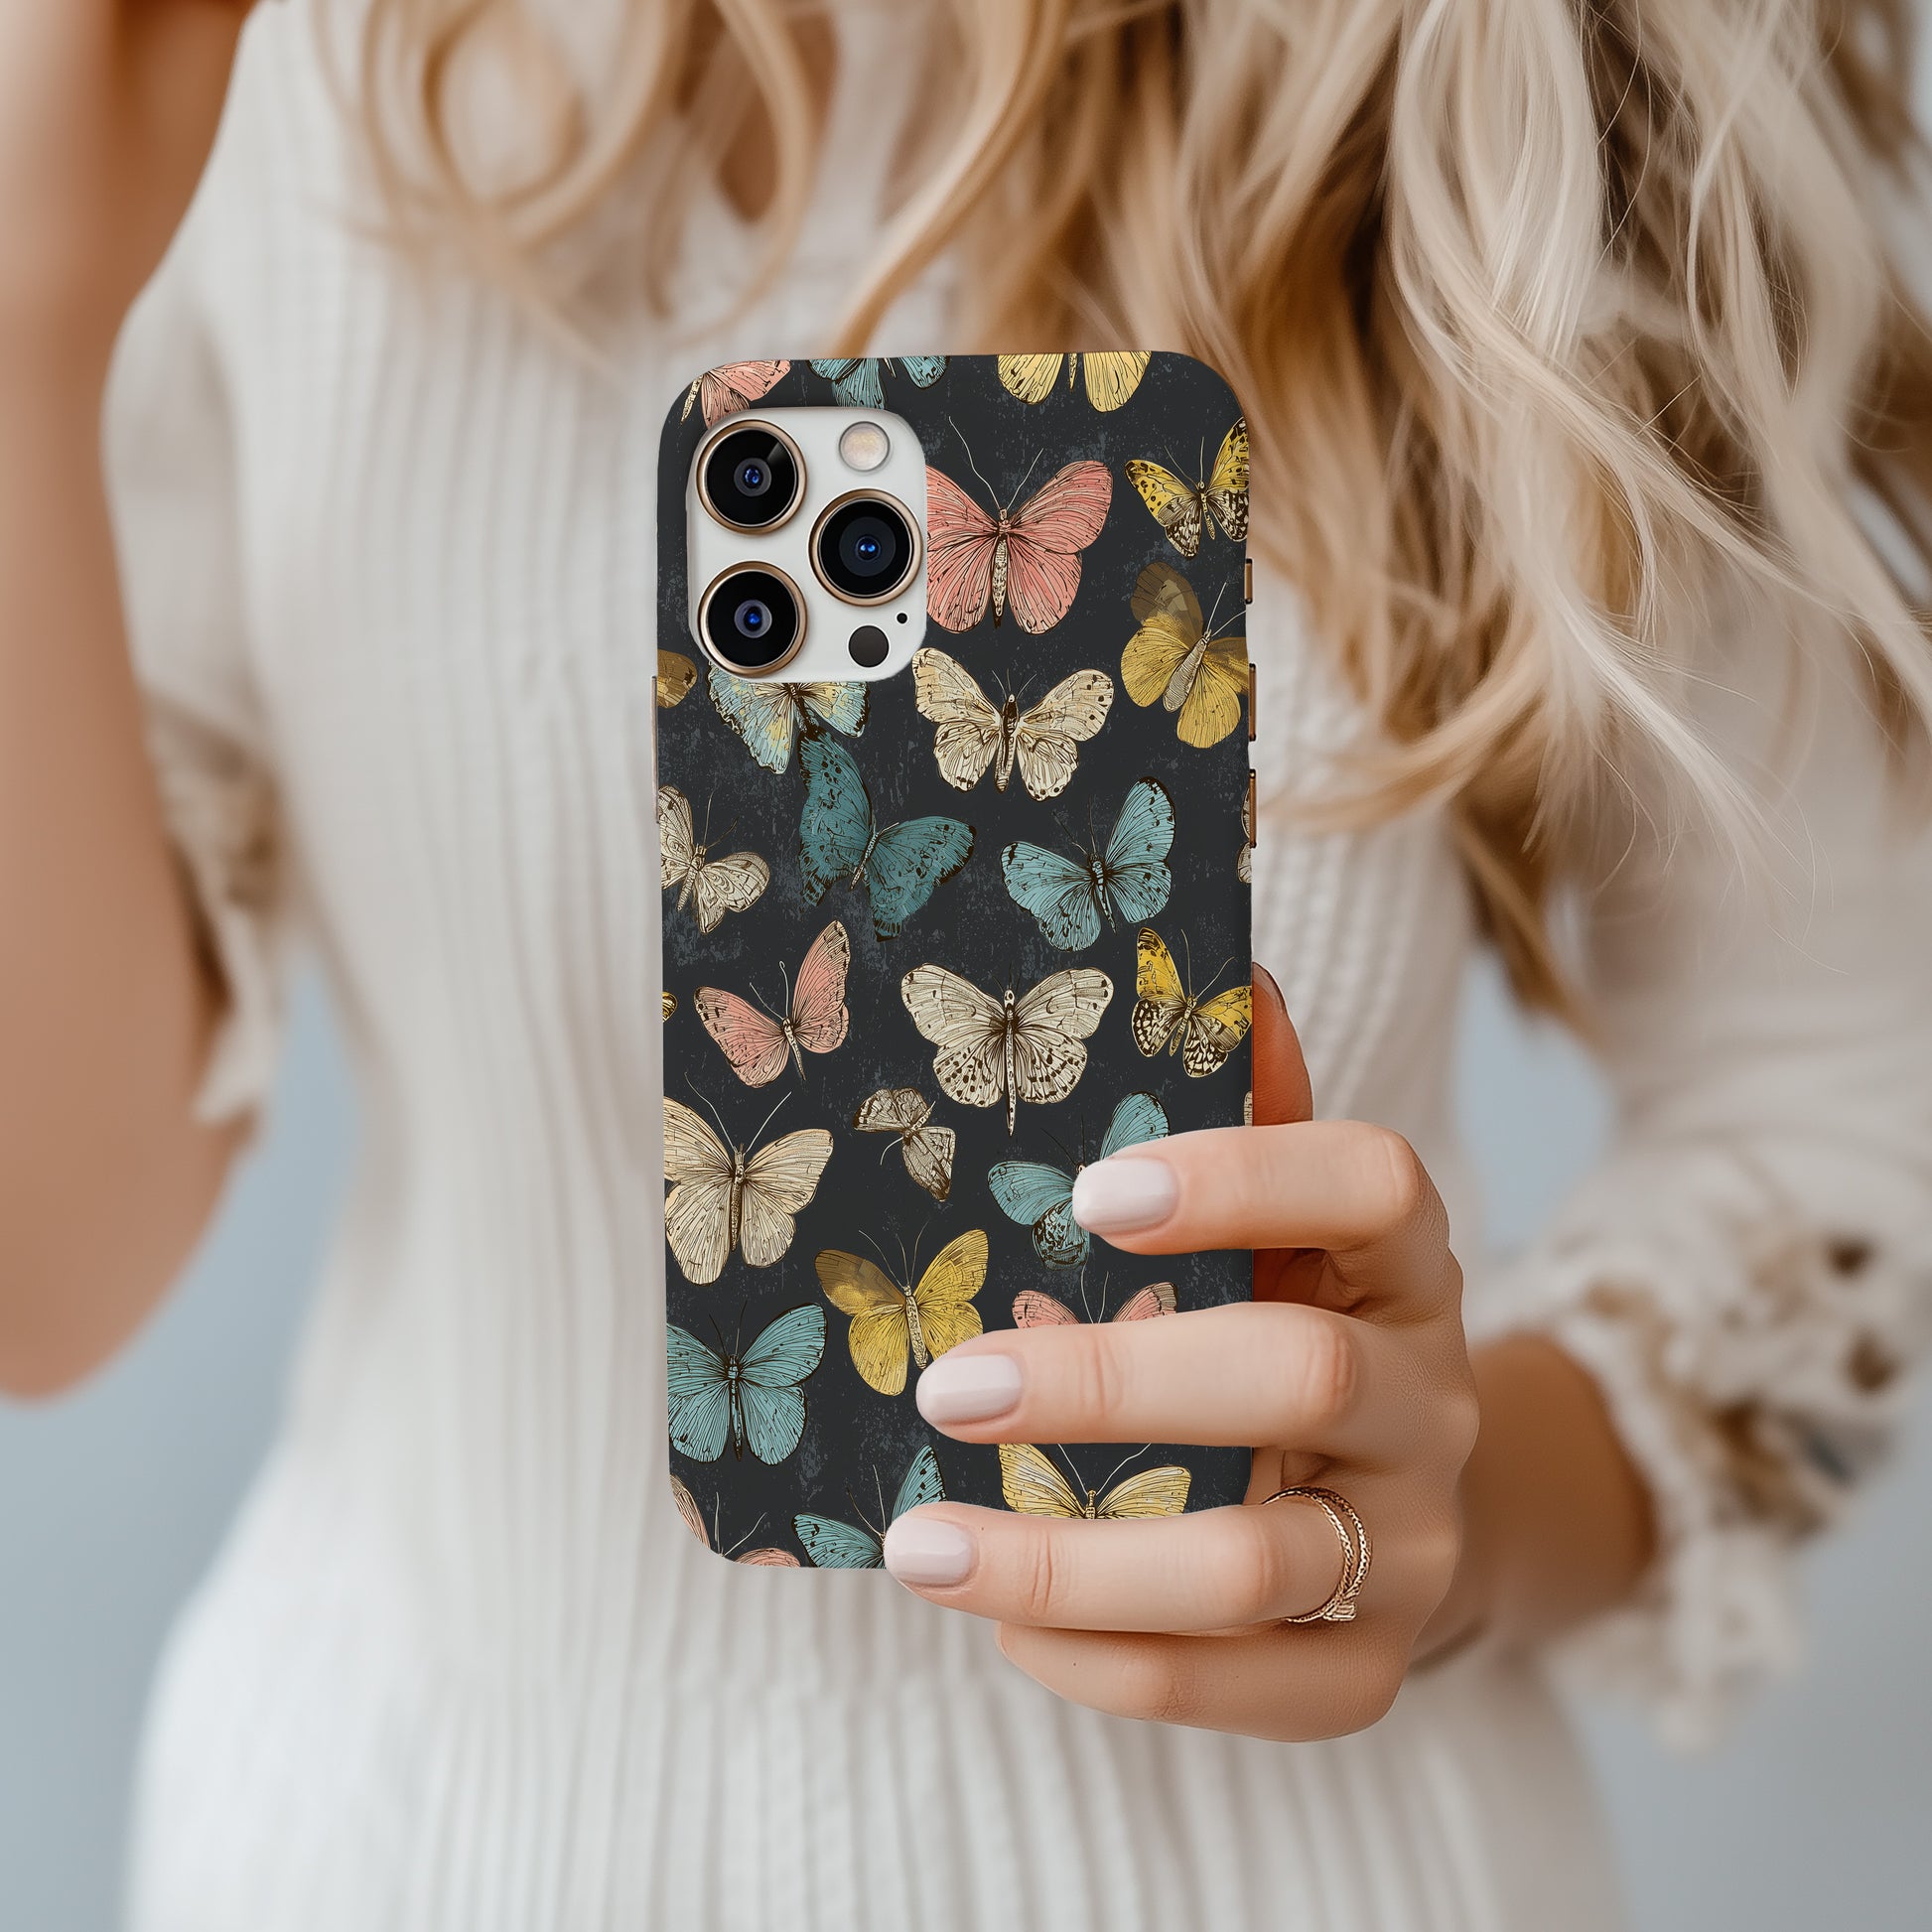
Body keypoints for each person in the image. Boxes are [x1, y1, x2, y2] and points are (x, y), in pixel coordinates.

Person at [3, 1, 1929, 1926]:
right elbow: (44, 1273)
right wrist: (26, 328)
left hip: (1276, 1875)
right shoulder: (250, 75)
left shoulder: (1527, 78)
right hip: (410, 1850)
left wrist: (1443, 1516)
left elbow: (1828, 1125)